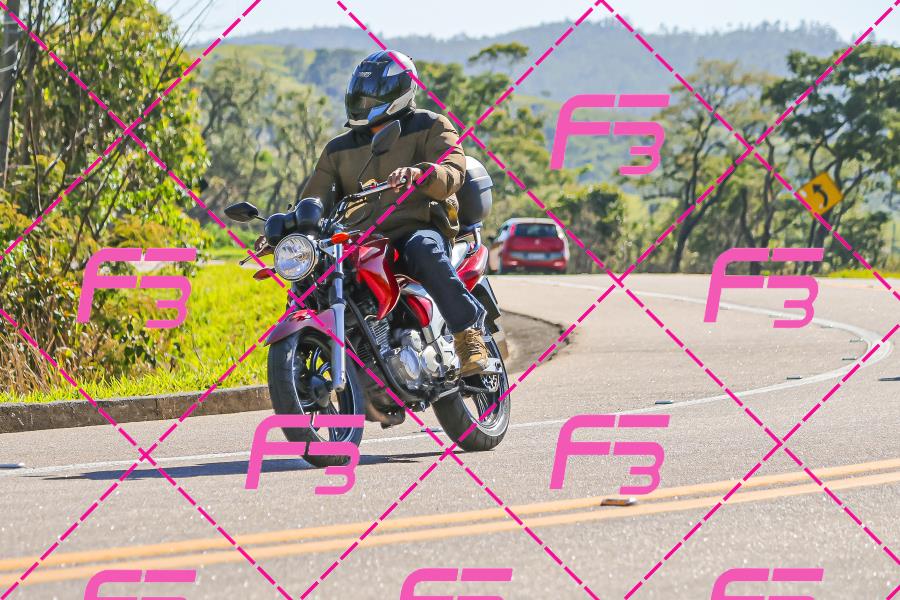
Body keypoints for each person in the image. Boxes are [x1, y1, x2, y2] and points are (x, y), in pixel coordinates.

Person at [300, 50, 489, 376]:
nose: (364, 101)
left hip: (417, 226)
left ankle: (467, 333)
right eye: (360, 93)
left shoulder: (430, 125)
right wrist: (291, 227)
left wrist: (421, 174)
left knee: (422, 248)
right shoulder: (338, 149)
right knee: (313, 272)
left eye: (372, 94)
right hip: (364, 239)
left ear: (399, 89)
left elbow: (452, 171)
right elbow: (314, 198)